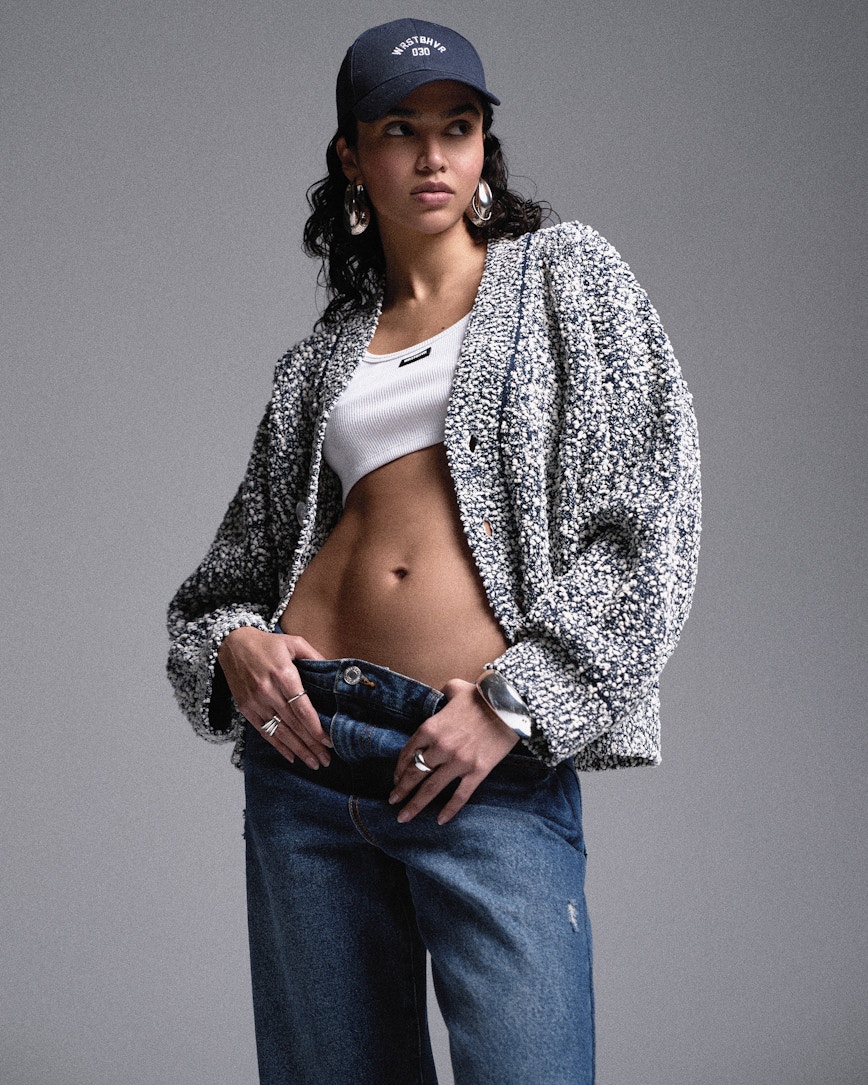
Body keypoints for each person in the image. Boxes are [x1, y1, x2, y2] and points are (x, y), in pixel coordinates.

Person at [167, 17, 700, 1085]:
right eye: (400, 130)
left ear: (483, 145)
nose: (432, 156)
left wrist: (516, 702)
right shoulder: (319, 359)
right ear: (351, 156)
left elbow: (654, 516)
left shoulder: (563, 277)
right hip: (308, 759)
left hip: (475, 753)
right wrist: (233, 645)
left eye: (457, 127)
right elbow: (224, 587)